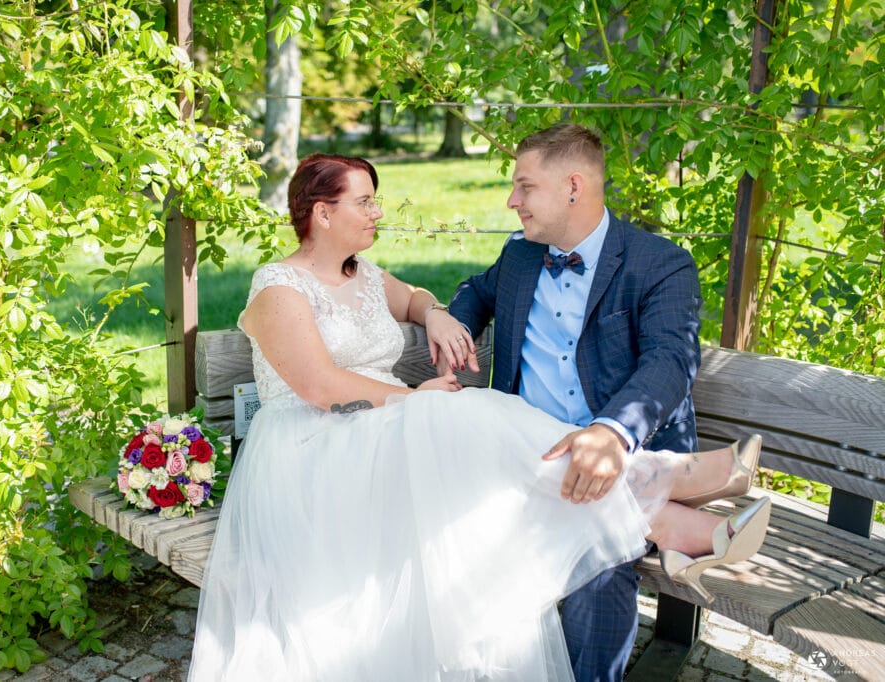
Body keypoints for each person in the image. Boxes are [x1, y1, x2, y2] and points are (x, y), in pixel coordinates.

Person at [187, 153, 767, 682]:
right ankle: (670, 499)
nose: (378, 211)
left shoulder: (360, 273)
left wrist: (437, 314)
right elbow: (319, 386)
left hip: (380, 430)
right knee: (471, 413)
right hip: (316, 451)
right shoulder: (278, 287)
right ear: (322, 213)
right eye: (364, 201)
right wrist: (421, 401)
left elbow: (414, 297)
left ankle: (673, 513)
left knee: (474, 420)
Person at [446, 122, 707, 681]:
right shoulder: (520, 257)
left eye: (524, 186)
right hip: (526, 453)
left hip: (614, 451)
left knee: (599, 567)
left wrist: (612, 432)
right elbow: (476, 291)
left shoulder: (659, 264)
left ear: (572, 187)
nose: (512, 201)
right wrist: (452, 326)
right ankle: (674, 513)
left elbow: (671, 361)